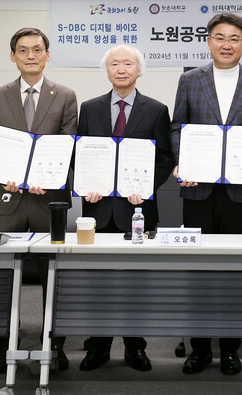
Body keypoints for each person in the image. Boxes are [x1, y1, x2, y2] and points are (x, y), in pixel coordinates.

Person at [170, 12, 242, 376]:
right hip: (198, 191)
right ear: (208, 41)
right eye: (219, 37)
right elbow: (177, 127)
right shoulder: (190, 80)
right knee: (198, 271)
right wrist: (182, 162)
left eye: (234, 38)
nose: (226, 44)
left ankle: (230, 348)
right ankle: (199, 349)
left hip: (240, 194)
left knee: (235, 271)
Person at [0, 27, 77, 373]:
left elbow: (67, 145)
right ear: (13, 56)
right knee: (4, 277)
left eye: (37, 49)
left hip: (48, 202)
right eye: (23, 50)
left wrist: (46, 179)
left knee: (54, 276)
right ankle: (4, 345)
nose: (31, 55)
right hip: (7, 199)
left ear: (47, 55)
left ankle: (55, 345)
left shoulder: (65, 95)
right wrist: (2, 171)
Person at [76, 44, 174, 372]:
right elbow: (80, 154)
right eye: (114, 64)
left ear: (139, 70)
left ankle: (135, 347)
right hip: (98, 210)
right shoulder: (89, 109)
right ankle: (97, 347)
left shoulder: (157, 110)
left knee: (136, 284)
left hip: (138, 210)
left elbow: (165, 159)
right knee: (97, 284)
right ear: (107, 71)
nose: (121, 69)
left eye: (128, 64)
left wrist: (146, 188)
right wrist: (85, 184)